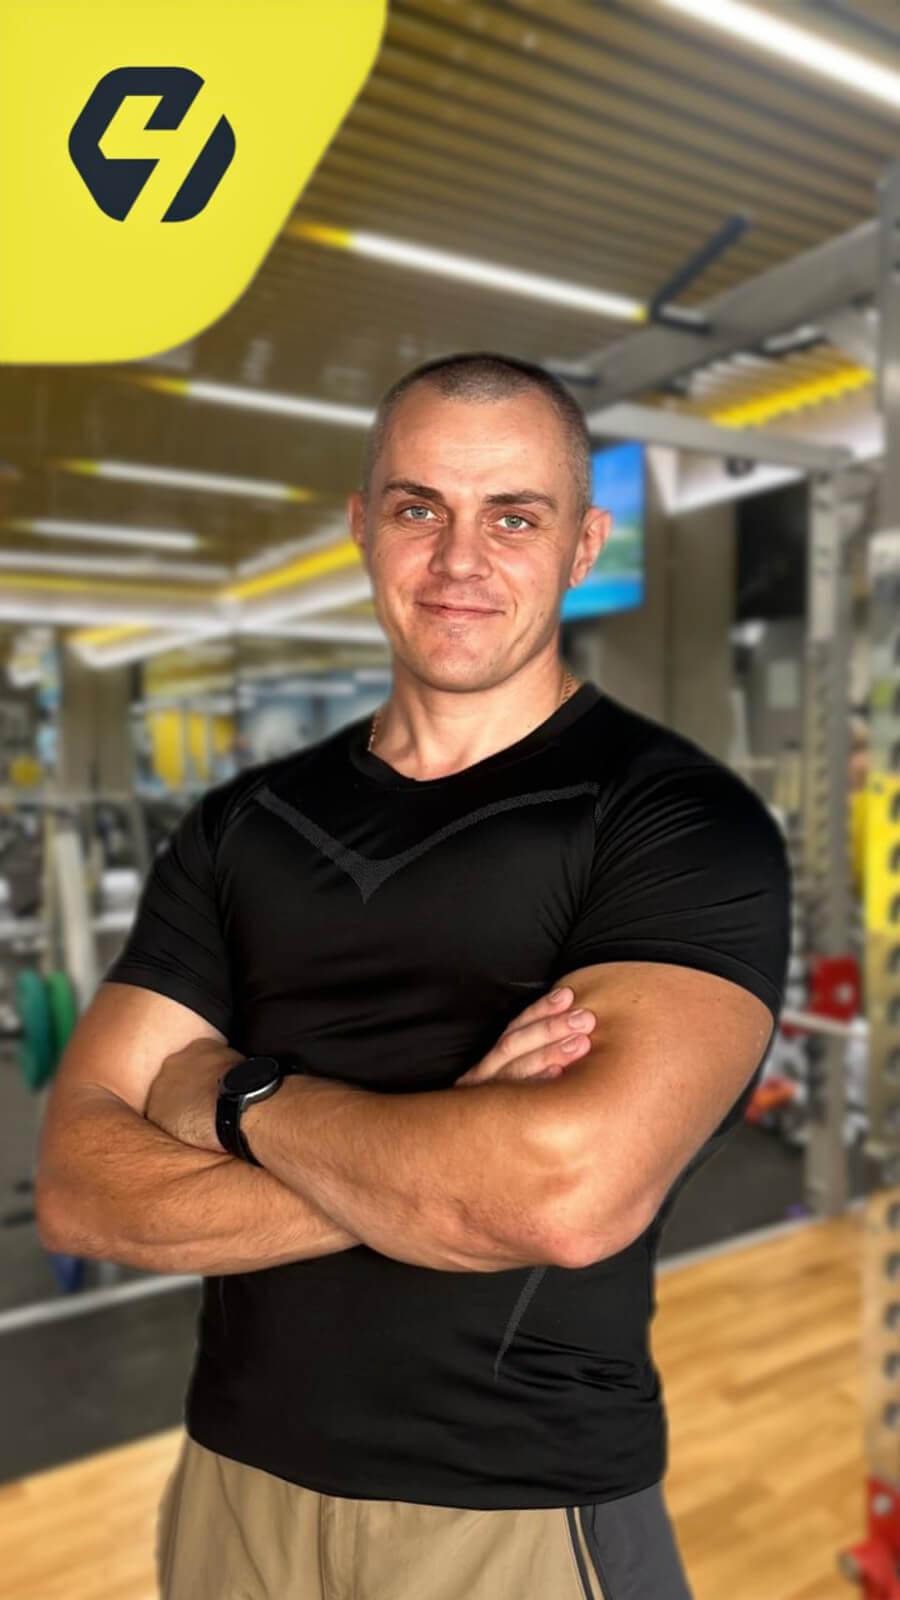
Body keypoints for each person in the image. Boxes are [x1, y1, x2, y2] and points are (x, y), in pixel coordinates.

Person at [36, 352, 791, 1599]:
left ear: (584, 544)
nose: (459, 559)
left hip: (517, 1513)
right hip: (234, 1496)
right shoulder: (241, 828)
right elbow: (76, 1185)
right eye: (418, 507)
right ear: (361, 525)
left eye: (514, 516)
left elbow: (561, 1194)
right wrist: (447, 1159)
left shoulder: (674, 822)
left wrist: (236, 1099)